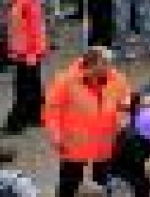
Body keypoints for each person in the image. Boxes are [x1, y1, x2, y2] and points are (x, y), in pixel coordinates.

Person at [43, 47, 132, 197]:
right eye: (105, 63)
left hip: (105, 141)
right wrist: (56, 135)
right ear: (91, 64)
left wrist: (122, 120)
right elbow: (52, 110)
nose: (110, 67)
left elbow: (125, 103)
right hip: (75, 142)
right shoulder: (66, 81)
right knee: (70, 179)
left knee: (102, 180)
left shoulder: (117, 79)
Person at [3, 0, 48, 135]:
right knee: (33, 85)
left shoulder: (27, 1)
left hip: (27, 52)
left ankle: (17, 121)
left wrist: (32, 53)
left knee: (23, 87)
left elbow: (35, 29)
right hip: (24, 51)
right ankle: (35, 115)